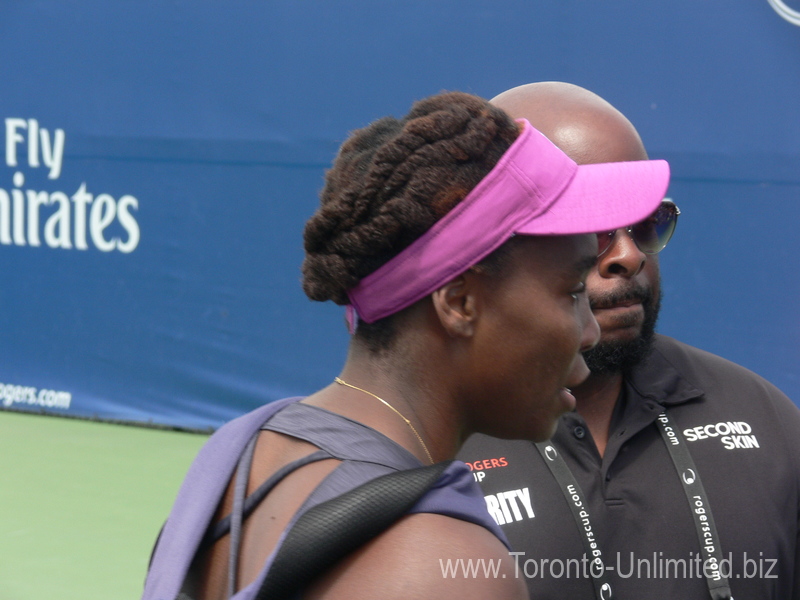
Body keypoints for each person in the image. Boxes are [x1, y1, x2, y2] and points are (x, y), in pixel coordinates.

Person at [141, 91, 669, 600]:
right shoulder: (443, 567)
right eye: (573, 291)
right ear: (459, 301)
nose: (591, 331)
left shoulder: (241, 451)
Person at [459, 82, 800, 600]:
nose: (629, 255)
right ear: (491, 239)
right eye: (593, 227)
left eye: (645, 224)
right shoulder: (429, 440)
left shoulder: (764, 420)